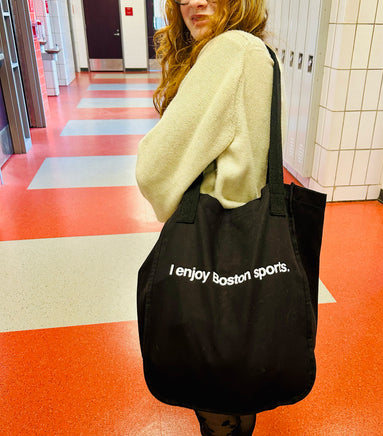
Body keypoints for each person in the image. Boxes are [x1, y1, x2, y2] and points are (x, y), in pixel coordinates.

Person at [136, 0, 286, 434]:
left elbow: (154, 169)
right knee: (236, 374)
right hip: (249, 239)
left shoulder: (229, 50)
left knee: (215, 387)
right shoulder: (258, 50)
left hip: (212, 240)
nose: (193, 3)